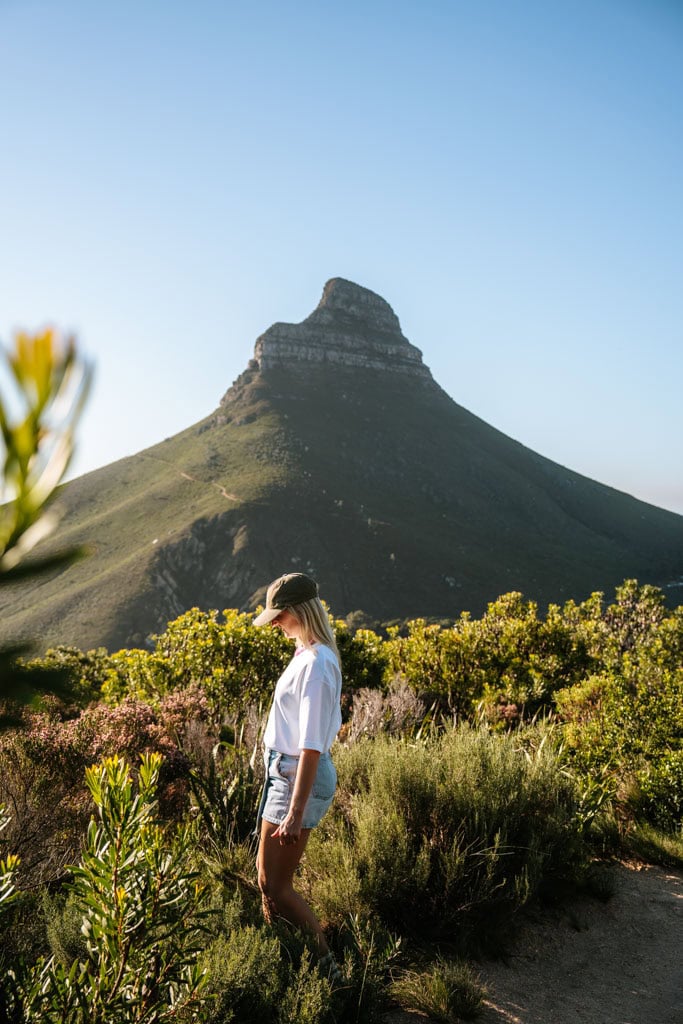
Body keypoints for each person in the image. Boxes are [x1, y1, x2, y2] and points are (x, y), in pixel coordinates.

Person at [253, 572, 342, 977]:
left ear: (301, 611)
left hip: (295, 778)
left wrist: (294, 810)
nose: (274, 622)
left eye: (280, 614)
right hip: (283, 774)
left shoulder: (318, 664)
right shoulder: (305, 653)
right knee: (266, 882)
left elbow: (310, 745)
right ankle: (287, 961)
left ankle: (327, 971)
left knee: (278, 888)